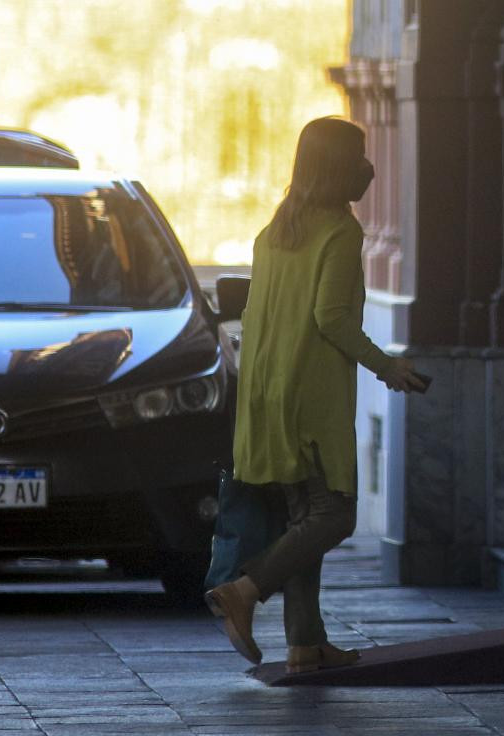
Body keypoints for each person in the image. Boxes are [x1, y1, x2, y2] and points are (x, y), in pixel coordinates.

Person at [205, 117, 425, 674]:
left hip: (268, 395)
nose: (370, 170)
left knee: (303, 518)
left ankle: (305, 645)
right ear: (338, 168)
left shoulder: (276, 230)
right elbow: (333, 319)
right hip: (310, 399)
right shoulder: (340, 232)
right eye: (360, 157)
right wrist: (388, 367)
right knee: (335, 516)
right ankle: (245, 590)